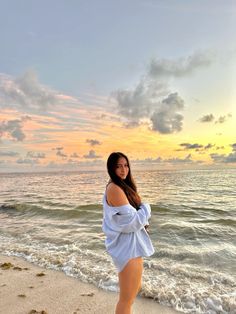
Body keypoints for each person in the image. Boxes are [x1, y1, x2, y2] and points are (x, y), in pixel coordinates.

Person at [102, 152, 155, 314]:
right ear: (111, 168)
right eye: (118, 166)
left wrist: (142, 216)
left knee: (133, 292)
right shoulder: (114, 188)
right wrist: (147, 208)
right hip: (127, 248)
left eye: (125, 165)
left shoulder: (123, 187)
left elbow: (132, 220)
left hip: (132, 246)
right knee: (126, 299)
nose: (123, 169)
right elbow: (133, 223)